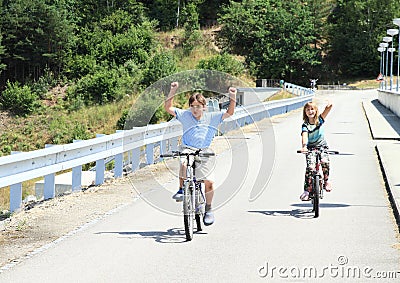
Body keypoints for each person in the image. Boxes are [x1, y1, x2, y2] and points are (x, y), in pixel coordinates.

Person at [164, 81, 237, 225]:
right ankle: (181, 190)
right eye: (192, 106)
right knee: (184, 163)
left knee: (208, 182)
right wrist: (173, 90)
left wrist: (232, 96)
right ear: (189, 107)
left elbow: (229, 112)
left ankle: (208, 209)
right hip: (188, 148)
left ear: (204, 107)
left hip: (205, 151)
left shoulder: (212, 117)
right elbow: (168, 107)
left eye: (198, 106)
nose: (195, 109)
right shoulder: (185, 115)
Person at [299, 101, 333, 201]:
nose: (310, 111)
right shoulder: (305, 125)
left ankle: (327, 181)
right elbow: (304, 135)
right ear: (305, 112)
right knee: (310, 167)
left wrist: (329, 105)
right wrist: (304, 146)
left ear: (316, 111)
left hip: (322, 146)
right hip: (310, 148)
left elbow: (327, 110)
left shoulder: (320, 120)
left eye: (312, 109)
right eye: (308, 109)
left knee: (325, 161)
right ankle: (307, 190)